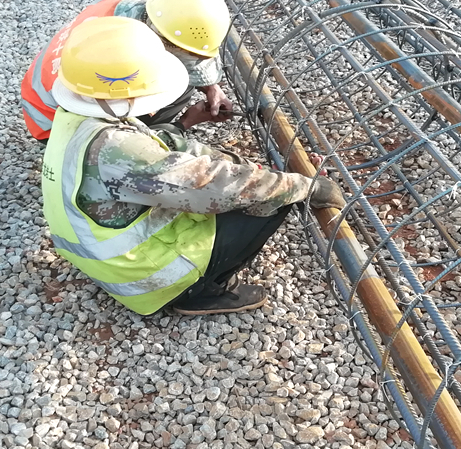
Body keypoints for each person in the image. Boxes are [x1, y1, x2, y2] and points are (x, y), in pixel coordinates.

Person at [41, 16, 346, 316]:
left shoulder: (78, 116)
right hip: (141, 278)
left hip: (98, 257)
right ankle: (201, 292)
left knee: (257, 185)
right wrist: (303, 186)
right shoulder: (116, 148)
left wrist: (192, 127)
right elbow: (215, 187)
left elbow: (157, 147)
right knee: (271, 197)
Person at [22, 0, 235, 141]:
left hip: (57, 88)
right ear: (157, 40)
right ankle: (149, 130)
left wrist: (211, 88)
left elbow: (186, 42)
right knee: (170, 85)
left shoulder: (155, 7)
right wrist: (184, 123)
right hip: (52, 124)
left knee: (179, 80)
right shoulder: (115, 57)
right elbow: (126, 152)